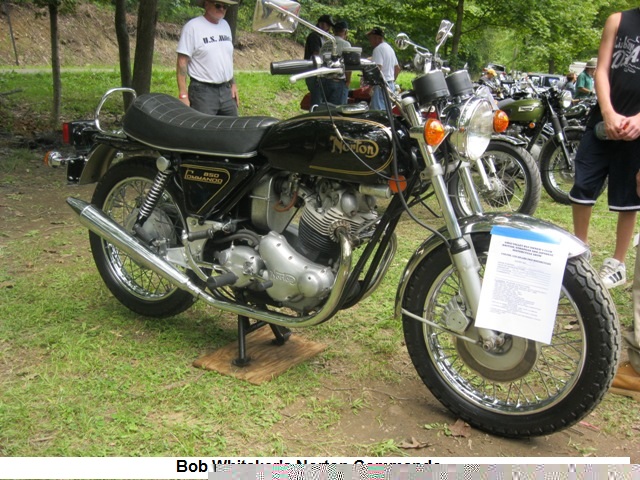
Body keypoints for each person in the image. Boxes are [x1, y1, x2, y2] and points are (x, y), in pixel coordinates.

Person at [569, 8, 640, 289]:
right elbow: (601, 69)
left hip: (637, 127)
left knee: (629, 195)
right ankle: (580, 252)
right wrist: (608, 112)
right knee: (582, 184)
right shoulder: (618, 20)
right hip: (602, 122)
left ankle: (617, 263)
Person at [176, 0, 239, 116]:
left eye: (225, 6)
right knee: (204, 126)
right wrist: (183, 94)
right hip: (202, 91)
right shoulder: (192, 27)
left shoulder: (225, 25)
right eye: (218, 5)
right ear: (206, 4)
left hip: (226, 89)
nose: (222, 9)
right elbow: (182, 61)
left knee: (233, 125)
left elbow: (226, 58)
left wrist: (233, 84)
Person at [318, 20, 352, 106]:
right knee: (337, 109)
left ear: (333, 31)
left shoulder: (325, 44)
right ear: (345, 31)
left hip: (323, 81)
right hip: (337, 80)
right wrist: (348, 80)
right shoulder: (345, 44)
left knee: (325, 108)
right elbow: (348, 65)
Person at [366, 27, 400, 111]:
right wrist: (391, 82)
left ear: (377, 38)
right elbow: (397, 69)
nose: (370, 41)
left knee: (378, 112)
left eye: (371, 38)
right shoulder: (389, 48)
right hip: (390, 85)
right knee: (387, 111)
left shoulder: (378, 49)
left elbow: (377, 69)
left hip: (380, 86)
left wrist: (371, 86)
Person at [304, 14, 334, 108]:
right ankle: (315, 114)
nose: (328, 28)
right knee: (317, 100)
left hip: (319, 72)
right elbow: (316, 54)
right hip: (314, 72)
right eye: (326, 25)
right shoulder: (314, 36)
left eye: (329, 26)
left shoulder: (323, 38)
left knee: (320, 99)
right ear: (320, 24)